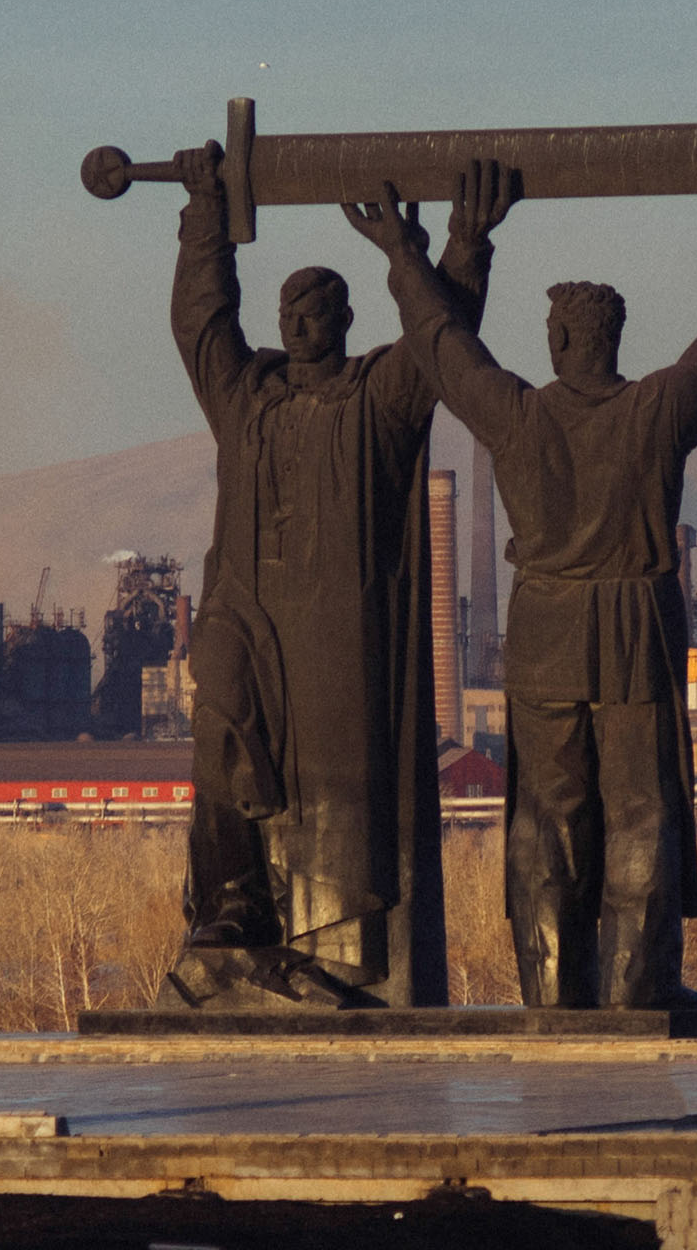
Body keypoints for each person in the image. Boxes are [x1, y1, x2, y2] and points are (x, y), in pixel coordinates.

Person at [347, 174, 697, 1008]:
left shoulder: (519, 416)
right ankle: (637, 988)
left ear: (560, 337)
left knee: (548, 812)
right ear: (613, 339)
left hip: (548, 630)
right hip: (635, 623)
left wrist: (405, 254)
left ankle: (554, 992)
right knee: (640, 808)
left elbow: (441, 342)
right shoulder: (656, 410)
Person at [166, 141, 515, 1007]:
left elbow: (442, 341)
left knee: (331, 798)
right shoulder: (246, 396)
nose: (295, 324)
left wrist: (459, 249)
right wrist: (205, 227)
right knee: (220, 737)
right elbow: (200, 327)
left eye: (313, 310)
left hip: (334, 635)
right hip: (246, 614)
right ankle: (232, 911)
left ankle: (325, 950)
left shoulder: (377, 396)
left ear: (344, 319)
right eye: (287, 310)